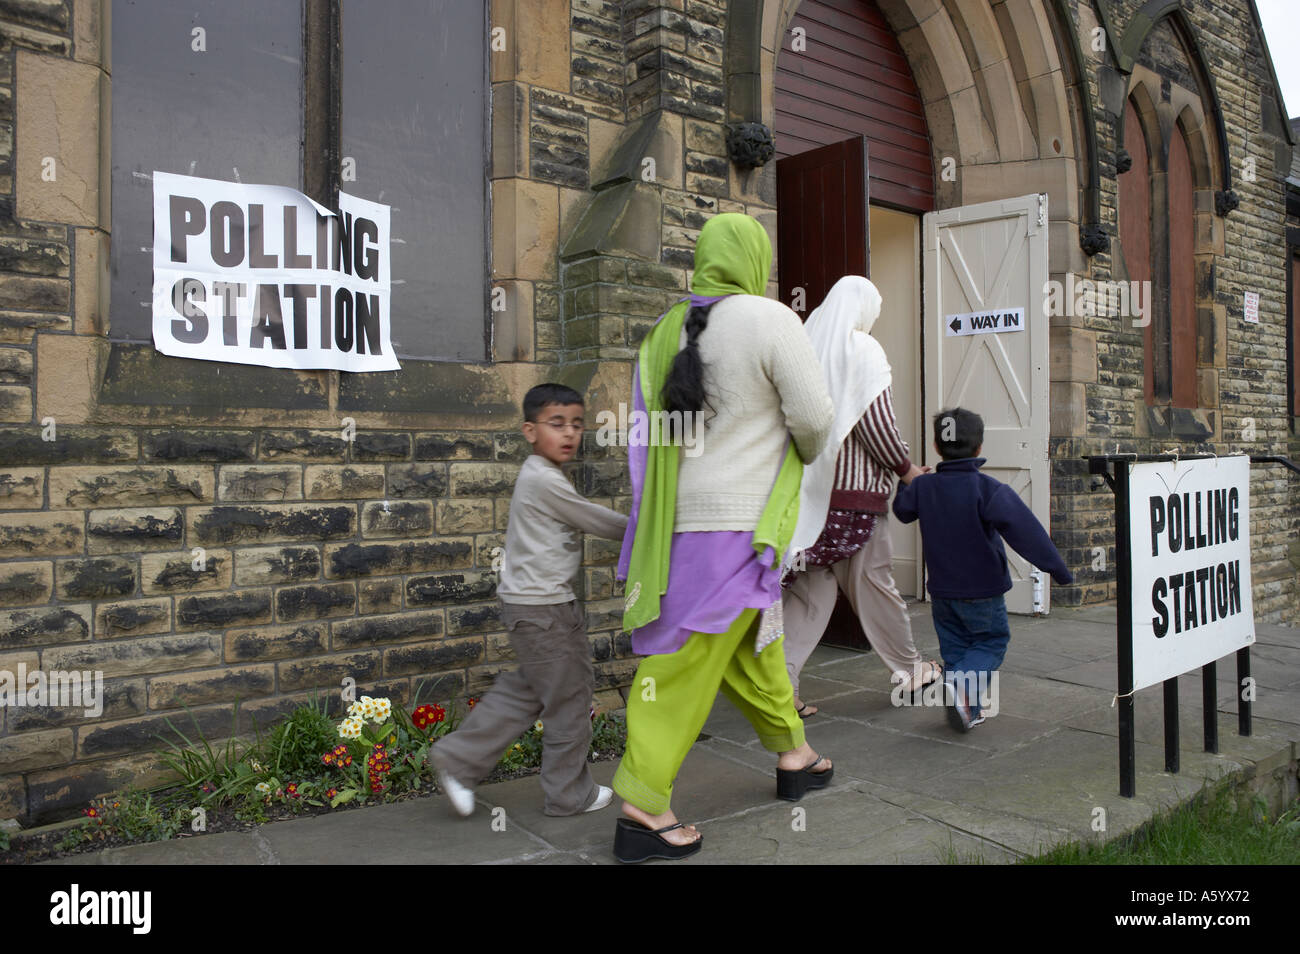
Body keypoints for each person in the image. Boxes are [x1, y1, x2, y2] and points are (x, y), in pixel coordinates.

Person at [611, 212, 836, 863]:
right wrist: (792, 449)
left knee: (749, 646)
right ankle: (643, 803)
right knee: (681, 661)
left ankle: (794, 753)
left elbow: (646, 443)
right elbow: (815, 419)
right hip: (743, 524)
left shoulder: (661, 334)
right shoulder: (772, 320)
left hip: (676, 528)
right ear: (755, 259)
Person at [429, 383, 628, 816]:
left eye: (577, 423)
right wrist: (649, 527)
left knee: (526, 692)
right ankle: (568, 794)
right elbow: (595, 519)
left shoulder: (544, 475)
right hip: (546, 612)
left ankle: (458, 759)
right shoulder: (542, 478)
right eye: (556, 424)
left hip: (533, 610)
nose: (570, 433)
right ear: (529, 430)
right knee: (571, 701)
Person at [780, 276, 939, 718]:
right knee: (876, 586)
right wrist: (907, 470)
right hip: (854, 499)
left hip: (808, 497)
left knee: (810, 594)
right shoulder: (863, 349)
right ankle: (910, 670)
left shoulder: (806, 345)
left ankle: (781, 690)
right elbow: (878, 425)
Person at [892, 407, 1073, 731]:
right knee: (991, 642)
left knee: (957, 649)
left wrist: (908, 483)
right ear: (979, 447)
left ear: (936, 446)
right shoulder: (988, 489)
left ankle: (968, 710)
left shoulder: (924, 488)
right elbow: (1026, 532)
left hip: (943, 592)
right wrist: (1057, 570)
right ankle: (961, 687)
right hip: (983, 592)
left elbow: (903, 512)